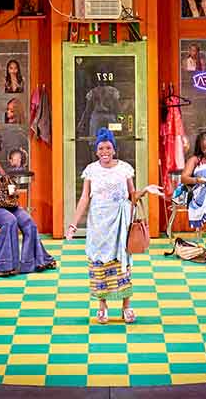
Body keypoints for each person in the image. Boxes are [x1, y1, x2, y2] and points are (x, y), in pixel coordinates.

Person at [67, 129, 161, 324]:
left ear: (114, 150)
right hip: (98, 225)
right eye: (101, 148)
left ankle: (126, 306)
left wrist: (145, 190)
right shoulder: (91, 170)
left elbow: (131, 195)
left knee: (122, 263)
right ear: (96, 151)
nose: (104, 152)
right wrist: (73, 224)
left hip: (120, 224)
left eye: (108, 148)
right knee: (99, 263)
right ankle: (102, 305)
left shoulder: (124, 169)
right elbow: (85, 197)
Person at [0, 134, 55, 276]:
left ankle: (35, 261)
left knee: (27, 220)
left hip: (2, 202)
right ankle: (3, 265)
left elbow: (5, 179)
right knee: (9, 220)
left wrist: (11, 189)